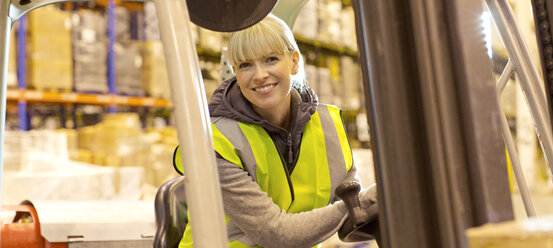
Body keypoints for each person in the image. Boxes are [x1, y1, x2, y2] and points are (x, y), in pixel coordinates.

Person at [173, 14, 377, 248]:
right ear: (235, 72)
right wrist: (362, 203)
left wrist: (368, 203)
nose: (260, 75)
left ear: (294, 61)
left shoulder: (328, 126)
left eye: (270, 59)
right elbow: (275, 234)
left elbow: (351, 205)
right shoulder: (217, 144)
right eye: (246, 65)